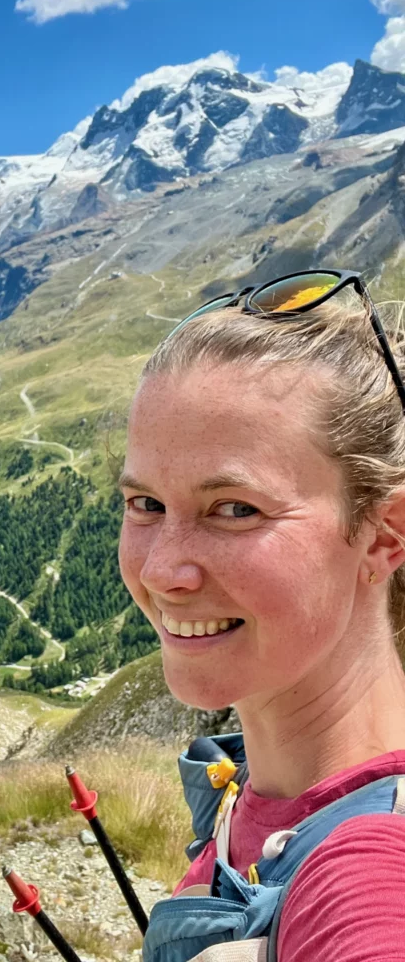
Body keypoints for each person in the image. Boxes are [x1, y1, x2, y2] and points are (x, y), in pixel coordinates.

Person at [117, 270, 405, 962]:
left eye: (235, 509)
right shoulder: (252, 784)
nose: (161, 571)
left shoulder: (370, 867)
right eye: (145, 505)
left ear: (384, 534)